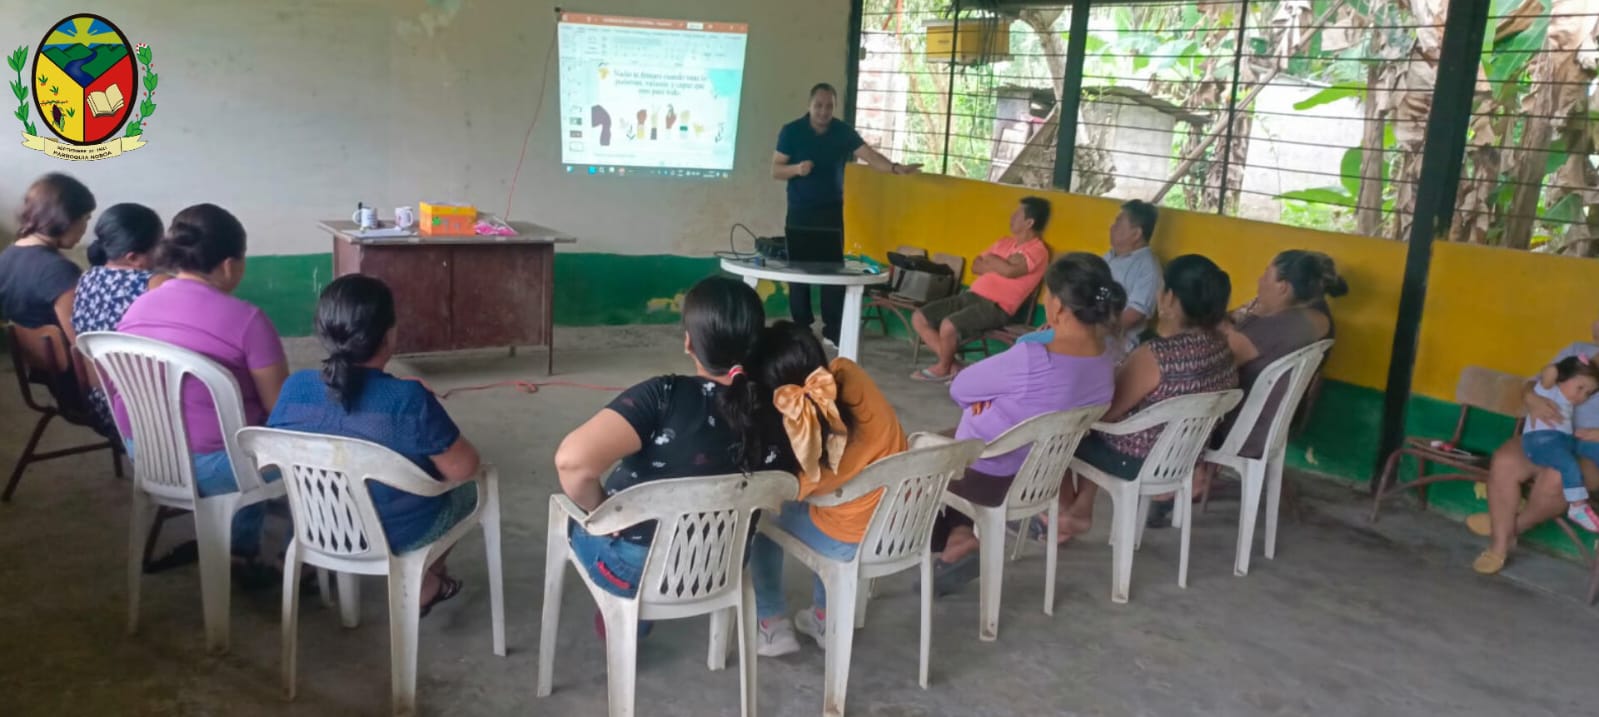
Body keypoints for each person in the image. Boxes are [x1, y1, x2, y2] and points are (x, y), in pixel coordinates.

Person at [554, 277, 796, 620]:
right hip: (723, 564)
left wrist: (603, 511)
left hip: (633, 569)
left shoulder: (663, 396)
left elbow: (572, 462)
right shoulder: (783, 406)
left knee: (569, 515)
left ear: (689, 342)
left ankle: (629, 623)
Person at [268, 275, 481, 614]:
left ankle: (315, 564)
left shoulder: (295, 388)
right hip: (396, 534)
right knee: (470, 490)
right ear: (389, 335)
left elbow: (272, 455)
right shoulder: (408, 400)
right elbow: (464, 468)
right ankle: (426, 580)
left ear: (322, 331)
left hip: (318, 525)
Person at [924, 253, 1125, 594]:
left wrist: (991, 399)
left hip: (989, 478)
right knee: (955, 440)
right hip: (1041, 478)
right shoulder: (1107, 359)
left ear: (1057, 306)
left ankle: (950, 536)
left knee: (912, 458)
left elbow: (960, 388)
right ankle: (960, 536)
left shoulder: (1031, 359)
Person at [114, 203, 291, 578]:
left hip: (146, 455)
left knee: (242, 434)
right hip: (221, 468)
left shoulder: (137, 308)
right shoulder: (247, 320)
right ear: (229, 265)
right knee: (301, 443)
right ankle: (298, 564)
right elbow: (281, 410)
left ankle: (241, 547)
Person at [744, 321, 906, 655]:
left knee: (761, 514)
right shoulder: (849, 372)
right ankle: (822, 615)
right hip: (901, 522)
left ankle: (772, 623)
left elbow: (780, 490)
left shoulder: (803, 444)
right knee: (834, 505)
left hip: (852, 538)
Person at [1053, 255, 1238, 538]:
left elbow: (1106, 411)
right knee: (1099, 430)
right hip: (1184, 457)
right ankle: (1080, 509)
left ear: (1170, 299)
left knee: (1059, 433)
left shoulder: (1156, 356)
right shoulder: (1222, 348)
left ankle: (1064, 514)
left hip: (1138, 460)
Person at [773, 82, 919, 347]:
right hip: (800, 212)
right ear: (809, 105)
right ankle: (802, 329)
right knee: (798, 272)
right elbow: (776, 169)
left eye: (829, 106)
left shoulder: (842, 132)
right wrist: (797, 169)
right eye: (819, 105)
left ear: (834, 107)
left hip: (831, 212)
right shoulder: (791, 131)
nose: (823, 111)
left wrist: (896, 168)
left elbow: (870, 156)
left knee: (833, 271)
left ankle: (833, 330)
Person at [1201, 250, 1347, 494]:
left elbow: (1212, 363)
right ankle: (1201, 475)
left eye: (1266, 274)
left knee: (1182, 390)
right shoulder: (1317, 316)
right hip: (1274, 422)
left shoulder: (1280, 326)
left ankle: (1186, 480)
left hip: (1244, 427)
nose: (1260, 281)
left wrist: (1238, 320)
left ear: (1283, 287)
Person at [910, 197, 1053, 382]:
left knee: (949, 325)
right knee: (919, 317)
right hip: (970, 296)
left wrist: (992, 260)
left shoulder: (1038, 251)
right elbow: (976, 266)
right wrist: (1001, 264)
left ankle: (943, 368)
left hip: (996, 307)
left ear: (1029, 222)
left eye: (1017, 214)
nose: (1012, 217)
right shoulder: (1004, 242)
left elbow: (1010, 272)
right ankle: (952, 365)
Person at [1015, 199, 1162, 357]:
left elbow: (1134, 315)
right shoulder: (1110, 256)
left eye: (1119, 223)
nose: (1112, 227)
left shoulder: (1148, 268)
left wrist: (1088, 330)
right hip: (1081, 330)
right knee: (1026, 343)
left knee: (1035, 350)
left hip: (1110, 342)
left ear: (1136, 234)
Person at [72, 203, 170, 434]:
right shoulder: (155, 284)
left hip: (101, 400)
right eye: (160, 244)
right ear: (133, 257)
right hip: (140, 411)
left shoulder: (87, 277)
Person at [0, 173, 95, 337]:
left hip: (23, 353)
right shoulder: (59, 270)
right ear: (66, 218)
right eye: (86, 219)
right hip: (62, 354)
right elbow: (80, 340)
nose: (85, 229)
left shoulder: (7, 256)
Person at [1518, 355, 1599, 530]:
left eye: (1587, 393)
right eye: (1580, 388)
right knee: (1568, 464)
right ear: (1563, 378)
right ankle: (1577, 507)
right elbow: (1550, 372)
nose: (1582, 396)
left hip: (1563, 440)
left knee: (1594, 448)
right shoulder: (1548, 390)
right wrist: (1565, 367)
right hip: (1540, 442)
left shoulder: (1568, 399)